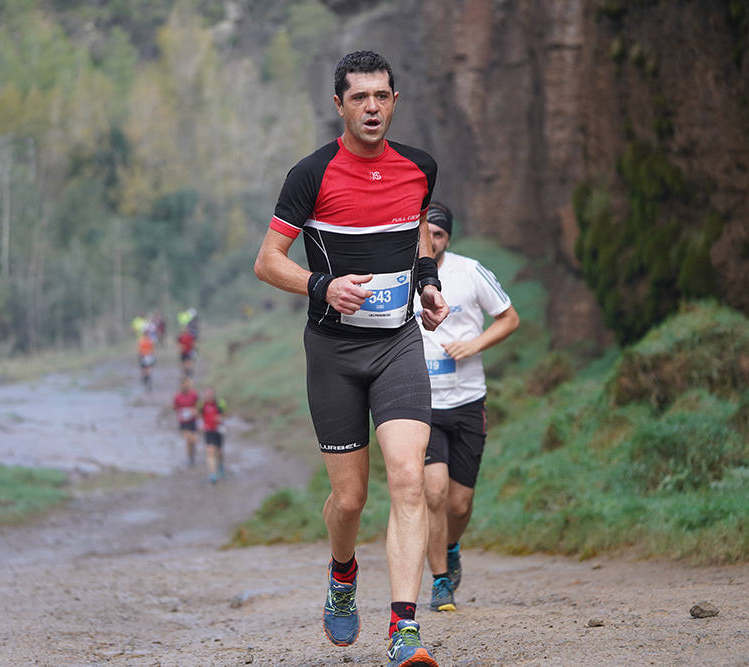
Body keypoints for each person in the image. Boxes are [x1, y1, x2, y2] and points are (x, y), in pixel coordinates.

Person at [254, 50, 448, 667]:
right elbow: (268, 261)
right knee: (350, 501)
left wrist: (426, 282)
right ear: (338, 105)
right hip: (334, 353)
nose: (372, 108)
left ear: (395, 101)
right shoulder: (310, 175)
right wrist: (321, 286)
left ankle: (404, 631)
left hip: (398, 344)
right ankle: (342, 576)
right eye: (359, 98)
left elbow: (416, 229)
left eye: (382, 97)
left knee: (410, 478)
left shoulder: (419, 167)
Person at [413, 201, 519, 614]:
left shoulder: (469, 271)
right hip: (422, 404)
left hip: (468, 399)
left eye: (438, 234)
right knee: (433, 493)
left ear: (448, 238)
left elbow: (509, 318)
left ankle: (452, 547)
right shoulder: (404, 274)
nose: (432, 240)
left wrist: (473, 345)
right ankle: (440, 581)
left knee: (459, 503)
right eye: (426, 233)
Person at [200, 387, 226, 484]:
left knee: (219, 453)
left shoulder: (220, 403)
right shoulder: (202, 404)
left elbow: (226, 414)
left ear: (214, 394)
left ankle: (220, 465)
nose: (209, 395)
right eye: (207, 393)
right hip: (208, 430)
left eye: (210, 393)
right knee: (210, 451)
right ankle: (213, 474)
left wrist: (221, 418)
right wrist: (200, 425)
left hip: (218, 430)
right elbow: (198, 415)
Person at [173, 377, 200, 467]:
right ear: (181, 385)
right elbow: (174, 407)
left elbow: (200, 405)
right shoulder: (177, 396)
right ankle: (190, 458)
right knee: (188, 439)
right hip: (183, 421)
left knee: (194, 440)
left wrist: (195, 411)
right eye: (184, 384)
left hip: (193, 420)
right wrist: (179, 412)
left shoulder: (194, 394)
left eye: (188, 384)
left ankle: (193, 450)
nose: (186, 386)